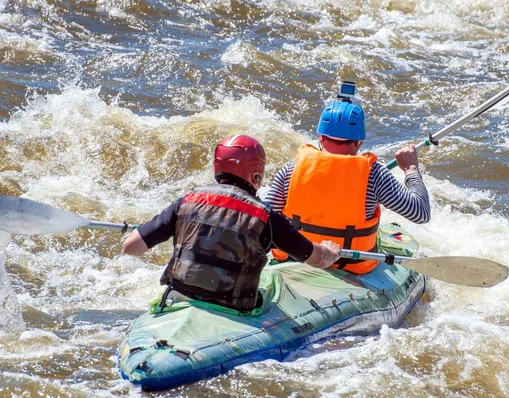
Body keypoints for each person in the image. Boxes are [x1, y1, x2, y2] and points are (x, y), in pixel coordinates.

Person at [122, 134, 341, 312]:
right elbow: (314, 258)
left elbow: (130, 247)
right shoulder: (267, 218)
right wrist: (330, 251)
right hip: (233, 307)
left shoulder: (186, 202)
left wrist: (172, 227)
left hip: (180, 297)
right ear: (256, 175)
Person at [264, 99, 431, 274]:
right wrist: (411, 169)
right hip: (351, 266)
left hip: (295, 259)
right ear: (359, 142)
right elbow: (421, 213)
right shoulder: (374, 174)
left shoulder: (292, 168)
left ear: (320, 137)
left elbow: (264, 220)